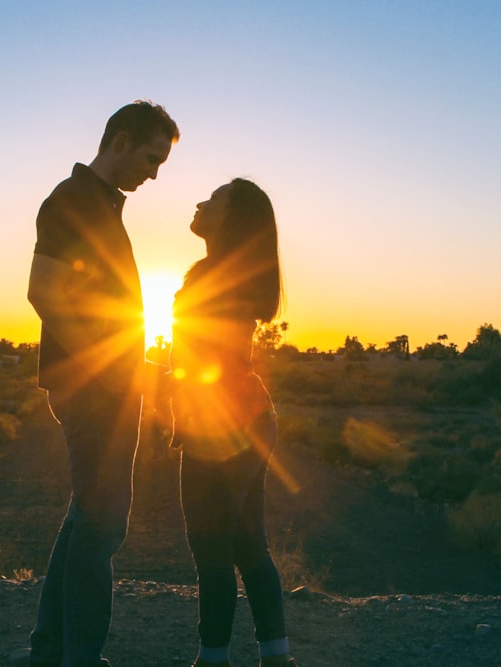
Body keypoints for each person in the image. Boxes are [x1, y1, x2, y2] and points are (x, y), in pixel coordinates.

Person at [14, 101, 179, 667]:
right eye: (152, 158)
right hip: (94, 390)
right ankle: (78, 657)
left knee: (86, 516)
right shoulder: (72, 201)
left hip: (109, 384)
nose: (154, 173)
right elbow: (44, 291)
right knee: (103, 524)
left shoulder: (103, 206)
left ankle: (51, 650)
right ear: (122, 140)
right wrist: (101, 367)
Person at [163, 179, 299, 667]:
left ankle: (213, 659)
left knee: (213, 552)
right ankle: (276, 655)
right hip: (249, 421)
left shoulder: (211, 278)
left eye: (214, 198)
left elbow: (204, 360)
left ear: (231, 219)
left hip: (220, 427)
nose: (200, 201)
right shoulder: (231, 277)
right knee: (247, 545)